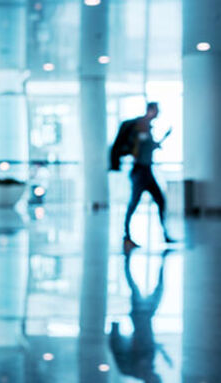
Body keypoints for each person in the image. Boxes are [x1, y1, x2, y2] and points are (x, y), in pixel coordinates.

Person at [109, 248, 172, 382]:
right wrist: (166, 356)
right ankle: (161, 257)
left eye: (155, 378)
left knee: (136, 284)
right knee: (156, 286)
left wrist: (115, 328)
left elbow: (117, 348)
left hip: (140, 316)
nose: (156, 375)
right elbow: (150, 342)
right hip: (146, 316)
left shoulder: (129, 368)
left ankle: (127, 255)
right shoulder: (147, 362)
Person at [122, 103, 174, 249]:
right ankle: (127, 237)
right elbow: (136, 148)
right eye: (156, 110)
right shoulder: (141, 126)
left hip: (147, 171)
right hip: (140, 171)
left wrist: (163, 139)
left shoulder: (148, 128)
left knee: (160, 201)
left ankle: (165, 234)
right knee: (134, 203)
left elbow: (148, 147)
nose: (158, 113)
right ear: (150, 110)